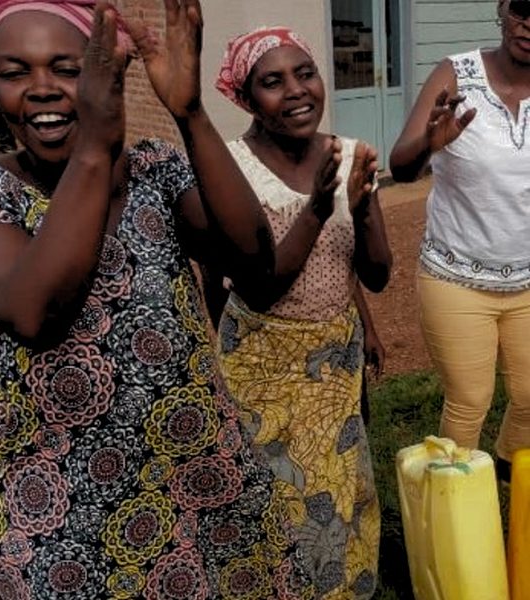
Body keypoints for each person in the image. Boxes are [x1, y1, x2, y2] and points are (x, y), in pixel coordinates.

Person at [0, 1, 322, 597]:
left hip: (203, 476)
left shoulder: (156, 171)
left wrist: (189, 112)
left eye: (67, 68)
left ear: (103, 72)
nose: (42, 89)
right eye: (15, 73)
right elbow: (34, 313)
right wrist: (94, 141)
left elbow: (252, 261)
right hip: (63, 504)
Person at [201, 26, 392, 598]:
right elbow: (251, 290)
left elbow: (376, 275)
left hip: (335, 351)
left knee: (343, 479)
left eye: (305, 73)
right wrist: (316, 208)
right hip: (262, 354)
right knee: (274, 488)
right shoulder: (231, 169)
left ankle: (345, 584)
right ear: (245, 97)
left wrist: (359, 211)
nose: (296, 91)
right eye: (272, 81)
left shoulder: (350, 154)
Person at [390, 0, 530, 483]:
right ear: (503, 9)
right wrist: (430, 144)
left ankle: (509, 471)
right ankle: (452, 509)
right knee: (470, 401)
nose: (529, 23)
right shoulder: (456, 74)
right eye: (523, 6)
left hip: (529, 283)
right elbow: (401, 167)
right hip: (458, 279)